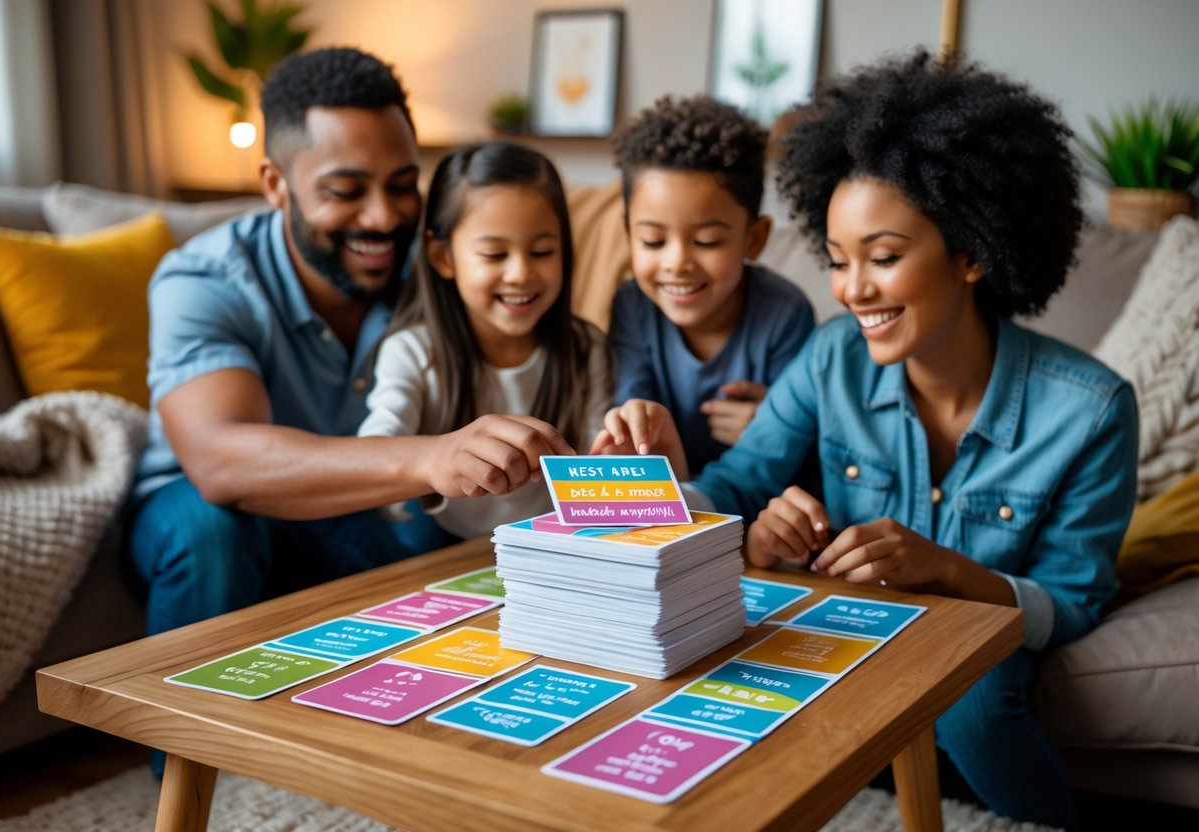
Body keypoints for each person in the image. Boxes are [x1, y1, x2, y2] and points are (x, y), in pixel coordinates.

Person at [626, 52, 1138, 829]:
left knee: (970, 706)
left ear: (970, 251)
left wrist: (949, 572)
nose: (851, 289)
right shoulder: (831, 356)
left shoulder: (1092, 410)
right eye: (836, 262)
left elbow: (1067, 605)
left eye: (883, 258)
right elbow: (736, 485)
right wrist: (673, 498)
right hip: (847, 626)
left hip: (973, 636)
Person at [127, 48, 572, 641]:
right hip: (203, 510)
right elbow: (221, 462)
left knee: (428, 541)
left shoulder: (435, 269)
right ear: (275, 185)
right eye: (345, 190)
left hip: (356, 508)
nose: (384, 217)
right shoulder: (203, 280)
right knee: (209, 533)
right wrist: (428, 457)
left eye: (402, 184)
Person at [358, 141, 613, 538]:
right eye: (495, 255)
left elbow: (598, 481)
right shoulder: (411, 352)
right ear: (443, 257)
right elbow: (375, 455)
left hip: (548, 552)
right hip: (438, 550)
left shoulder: (586, 347)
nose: (520, 273)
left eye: (543, 251)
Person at [597, 95, 815, 476]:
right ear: (628, 233)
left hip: (751, 504)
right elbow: (632, 410)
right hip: (664, 507)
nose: (677, 262)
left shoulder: (785, 314)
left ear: (755, 238)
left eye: (707, 242)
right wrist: (630, 425)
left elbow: (798, 446)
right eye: (652, 241)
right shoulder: (633, 307)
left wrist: (775, 427)